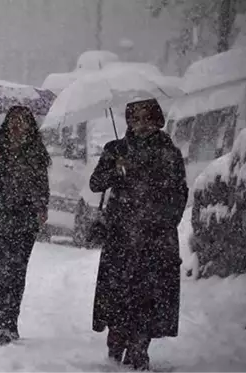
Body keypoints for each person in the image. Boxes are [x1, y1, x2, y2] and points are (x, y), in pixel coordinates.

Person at [89, 98, 188, 371]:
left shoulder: (169, 153)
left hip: (155, 238)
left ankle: (139, 347)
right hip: (121, 236)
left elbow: (179, 194)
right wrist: (114, 169)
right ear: (128, 122)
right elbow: (95, 183)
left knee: (148, 295)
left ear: (157, 121)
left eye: (147, 119)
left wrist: (164, 221)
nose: (141, 125)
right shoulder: (116, 149)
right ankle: (117, 338)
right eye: (135, 119)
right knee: (118, 292)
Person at [0, 105, 51, 345]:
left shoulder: (36, 153)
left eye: (23, 121)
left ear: (30, 126)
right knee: (5, 268)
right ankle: (4, 323)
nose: (17, 125)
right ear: (6, 124)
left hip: (25, 220)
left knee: (18, 270)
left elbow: (42, 187)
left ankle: (11, 321)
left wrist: (41, 207)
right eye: (13, 120)